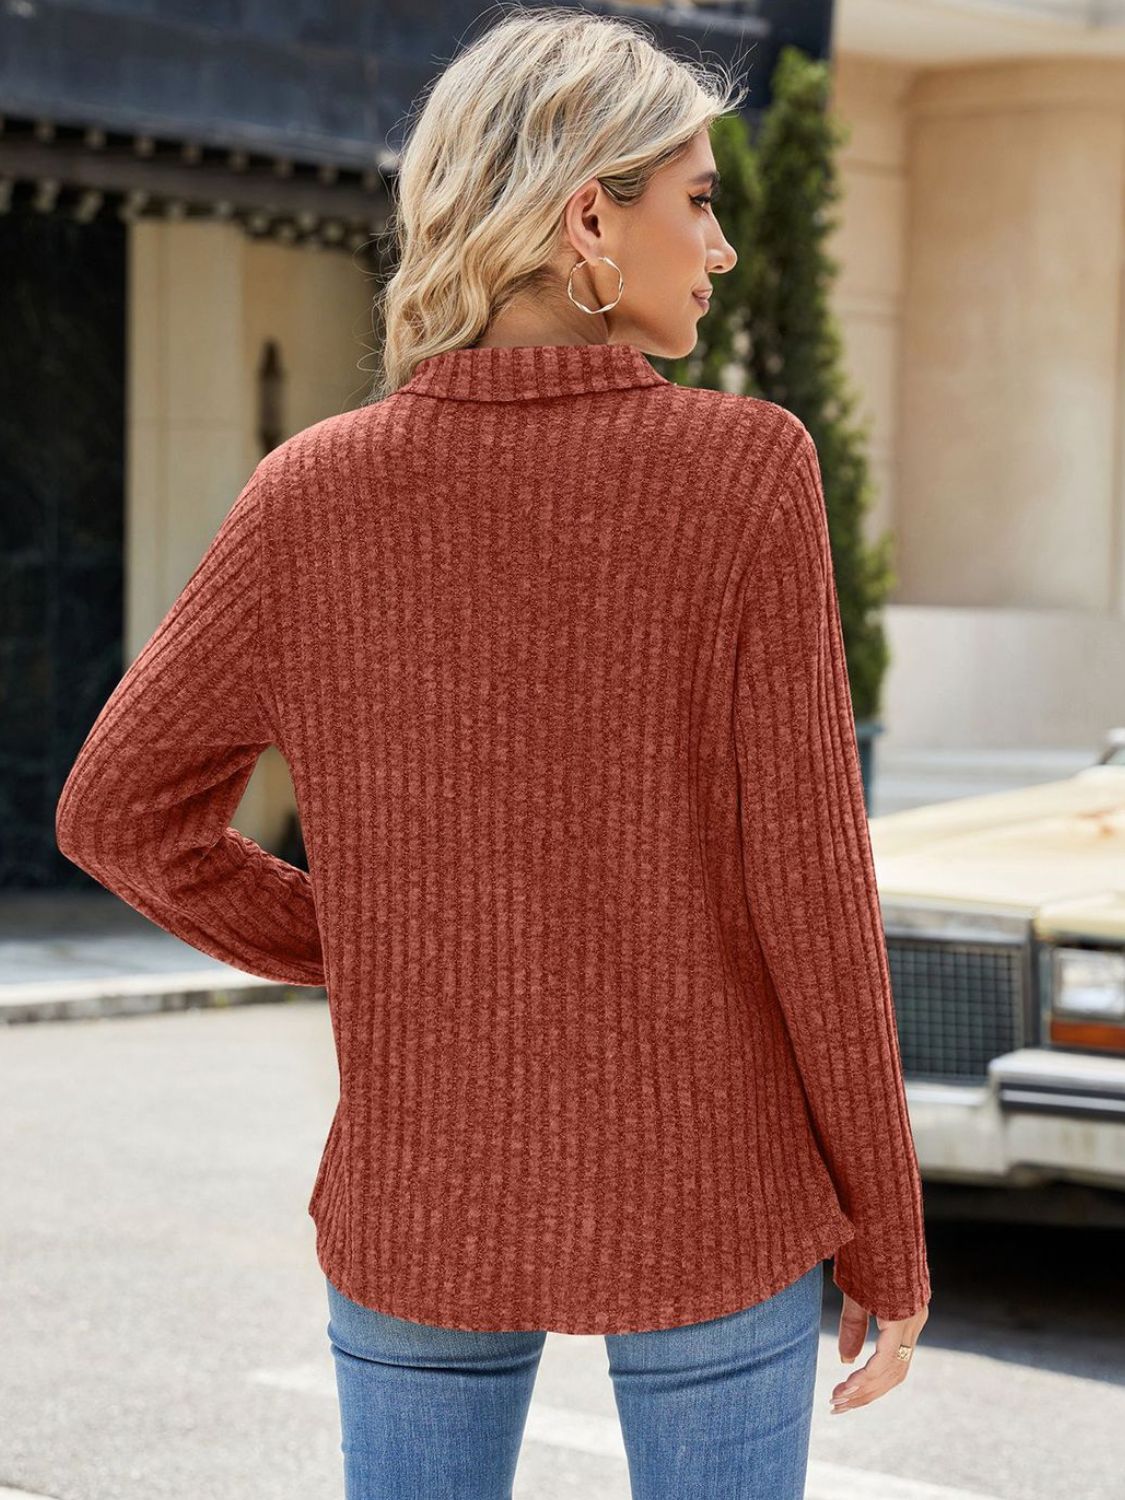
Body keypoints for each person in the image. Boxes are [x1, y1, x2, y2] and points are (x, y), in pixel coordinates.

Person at [55, 7, 931, 1497]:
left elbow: (116, 815)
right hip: (713, 1188)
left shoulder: (312, 492)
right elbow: (811, 888)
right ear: (590, 218)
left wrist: (382, 939)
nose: (721, 248)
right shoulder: (745, 474)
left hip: (422, 1192)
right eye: (698, 199)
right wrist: (888, 1234)